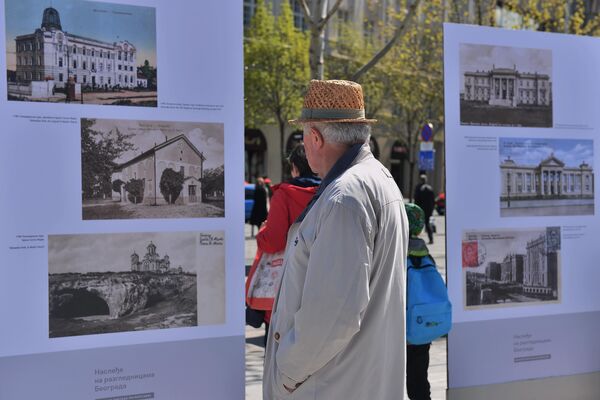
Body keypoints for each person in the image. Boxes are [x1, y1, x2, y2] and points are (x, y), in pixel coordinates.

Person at [263, 79, 408, 399]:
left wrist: (285, 375)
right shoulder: (379, 179)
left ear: (315, 138)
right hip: (359, 380)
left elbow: (333, 317)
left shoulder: (344, 197)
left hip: (332, 386)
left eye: (303, 133)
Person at [246, 144, 321, 344]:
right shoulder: (331, 191)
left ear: (295, 168)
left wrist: (262, 231)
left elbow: (273, 241)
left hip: (285, 292)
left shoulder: (286, 194)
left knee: (278, 361)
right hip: (319, 288)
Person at [404, 203, 433, 400]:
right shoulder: (426, 254)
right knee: (419, 379)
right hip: (423, 325)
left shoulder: (395, 253)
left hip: (402, 328)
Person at [414, 174, 435, 244]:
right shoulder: (430, 188)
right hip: (428, 210)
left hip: (421, 209)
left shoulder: (419, 187)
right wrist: (432, 209)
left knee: (416, 224)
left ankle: (414, 239)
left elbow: (416, 199)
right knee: (427, 224)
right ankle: (431, 238)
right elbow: (433, 201)